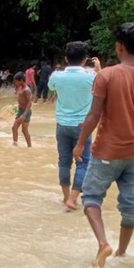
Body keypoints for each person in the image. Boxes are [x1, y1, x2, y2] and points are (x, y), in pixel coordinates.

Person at [73, 22, 134, 267]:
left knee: (91, 198)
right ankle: (122, 254)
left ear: (119, 47)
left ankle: (103, 243)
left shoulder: (107, 75)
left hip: (106, 152)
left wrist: (80, 144)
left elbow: (93, 115)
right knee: (130, 205)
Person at [48, 42, 101, 210]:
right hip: (82, 126)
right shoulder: (91, 76)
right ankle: (73, 198)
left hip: (62, 124)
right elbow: (106, 83)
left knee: (64, 162)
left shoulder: (57, 76)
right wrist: (99, 68)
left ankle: (65, 198)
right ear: (85, 60)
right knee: (83, 162)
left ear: (65, 58)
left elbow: (51, 88)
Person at [12, 72, 32, 147]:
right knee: (14, 128)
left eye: (16, 81)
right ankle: (15, 144)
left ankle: (29, 146)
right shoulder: (20, 87)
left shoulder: (27, 90)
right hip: (20, 110)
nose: (15, 83)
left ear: (21, 80)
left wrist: (24, 114)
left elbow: (29, 103)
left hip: (25, 112)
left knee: (24, 130)